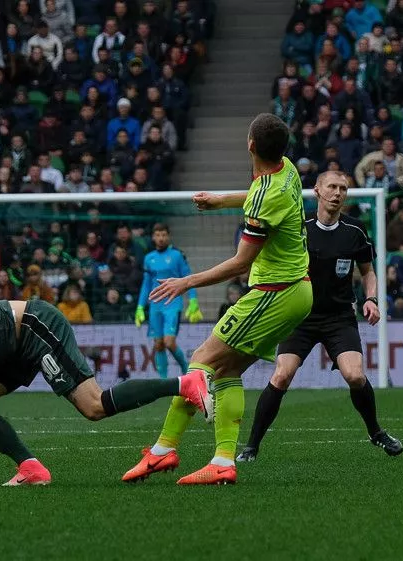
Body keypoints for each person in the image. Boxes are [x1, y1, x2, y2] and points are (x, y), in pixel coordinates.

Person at [122, 114, 313, 485]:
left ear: (250, 144)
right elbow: (260, 197)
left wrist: (186, 282)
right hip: (296, 290)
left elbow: (241, 263)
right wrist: (222, 200)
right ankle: (222, 461)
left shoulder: (265, 194)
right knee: (226, 371)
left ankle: (163, 450)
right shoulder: (287, 169)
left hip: (275, 293)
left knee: (201, 361)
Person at [0, 300, 211, 488]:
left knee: (94, 407)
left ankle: (184, 383)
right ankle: (32, 468)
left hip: (34, 326)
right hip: (11, 347)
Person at [236, 171, 402, 462]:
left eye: (343, 189)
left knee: (354, 375)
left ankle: (376, 432)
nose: (338, 193)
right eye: (332, 187)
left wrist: (371, 299)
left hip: (339, 317)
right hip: (299, 316)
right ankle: (251, 446)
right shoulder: (299, 228)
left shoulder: (355, 230)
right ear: (317, 191)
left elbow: (368, 272)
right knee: (282, 375)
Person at [135, 223, 202, 379]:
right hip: (155, 306)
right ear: (153, 237)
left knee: (169, 342)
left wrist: (193, 300)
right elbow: (146, 284)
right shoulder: (149, 258)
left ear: (168, 236)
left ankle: (186, 371)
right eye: (158, 235)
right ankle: (163, 382)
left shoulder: (177, 256)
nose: (161, 238)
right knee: (158, 344)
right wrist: (140, 306)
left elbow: (188, 278)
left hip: (172, 303)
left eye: (164, 235)